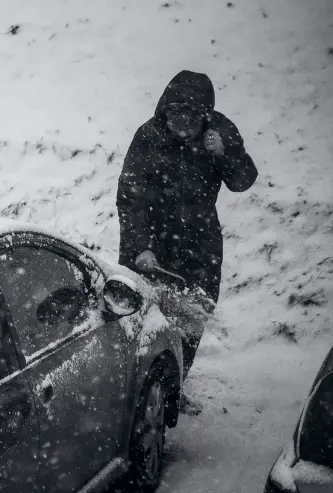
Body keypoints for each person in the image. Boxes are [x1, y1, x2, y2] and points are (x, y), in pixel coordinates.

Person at [116, 70, 258, 381]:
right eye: (175, 116)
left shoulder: (220, 132)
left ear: (203, 117)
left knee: (190, 321)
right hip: (150, 239)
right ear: (164, 111)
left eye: (190, 118)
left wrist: (225, 153)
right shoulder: (148, 136)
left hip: (198, 244)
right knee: (137, 316)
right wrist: (141, 246)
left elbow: (243, 181)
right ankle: (130, 384)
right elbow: (131, 197)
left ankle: (173, 387)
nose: (181, 126)